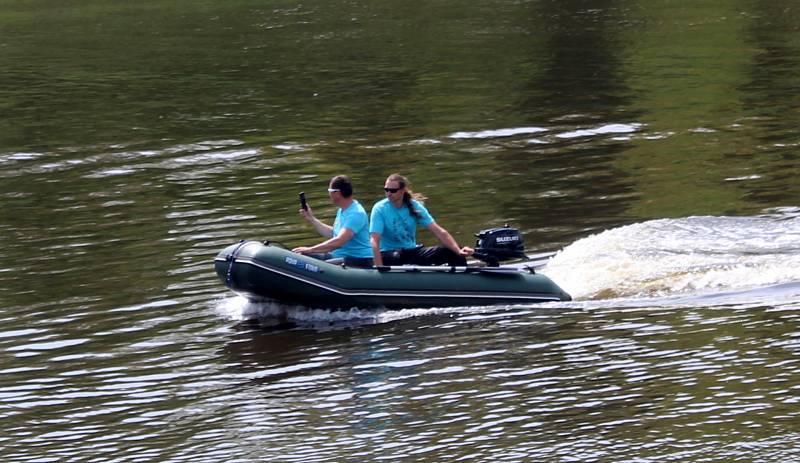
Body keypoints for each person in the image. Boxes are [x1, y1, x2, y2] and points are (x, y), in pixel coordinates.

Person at [370, 173, 474, 267]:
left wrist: (458, 251)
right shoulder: (379, 208)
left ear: (402, 191)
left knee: (452, 251)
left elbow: (439, 232)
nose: (389, 193)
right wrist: (379, 267)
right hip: (389, 254)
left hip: (411, 252)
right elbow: (375, 240)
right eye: (386, 190)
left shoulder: (415, 206)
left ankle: (461, 281)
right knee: (397, 255)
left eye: (393, 190)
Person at [292, 175, 374, 268]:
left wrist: (311, 249)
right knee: (299, 257)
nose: (329, 194)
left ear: (337, 193)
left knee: (319, 266)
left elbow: (340, 241)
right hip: (338, 256)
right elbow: (333, 233)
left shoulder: (356, 213)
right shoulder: (342, 210)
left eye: (329, 191)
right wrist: (312, 219)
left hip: (358, 260)